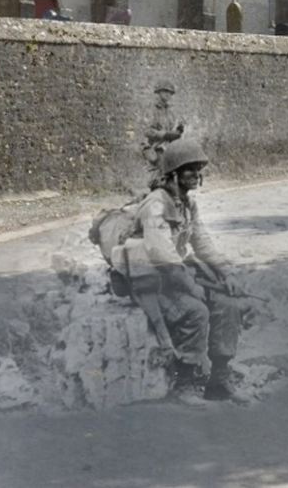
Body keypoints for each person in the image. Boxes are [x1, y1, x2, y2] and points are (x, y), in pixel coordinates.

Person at [111, 138, 249, 405]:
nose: (196, 175)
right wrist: (191, 286)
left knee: (227, 305)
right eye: (190, 170)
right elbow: (162, 253)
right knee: (195, 311)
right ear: (173, 174)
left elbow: (202, 242)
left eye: (199, 170)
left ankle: (219, 380)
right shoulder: (156, 204)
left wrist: (226, 274)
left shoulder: (188, 204)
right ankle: (184, 383)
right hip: (153, 280)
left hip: (178, 274)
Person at [141, 81, 185, 171]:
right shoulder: (151, 109)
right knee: (162, 173)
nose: (168, 94)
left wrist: (179, 130)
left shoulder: (170, 111)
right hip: (155, 147)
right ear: (159, 92)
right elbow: (147, 131)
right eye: (165, 91)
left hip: (170, 147)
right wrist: (164, 135)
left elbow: (173, 128)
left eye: (170, 92)